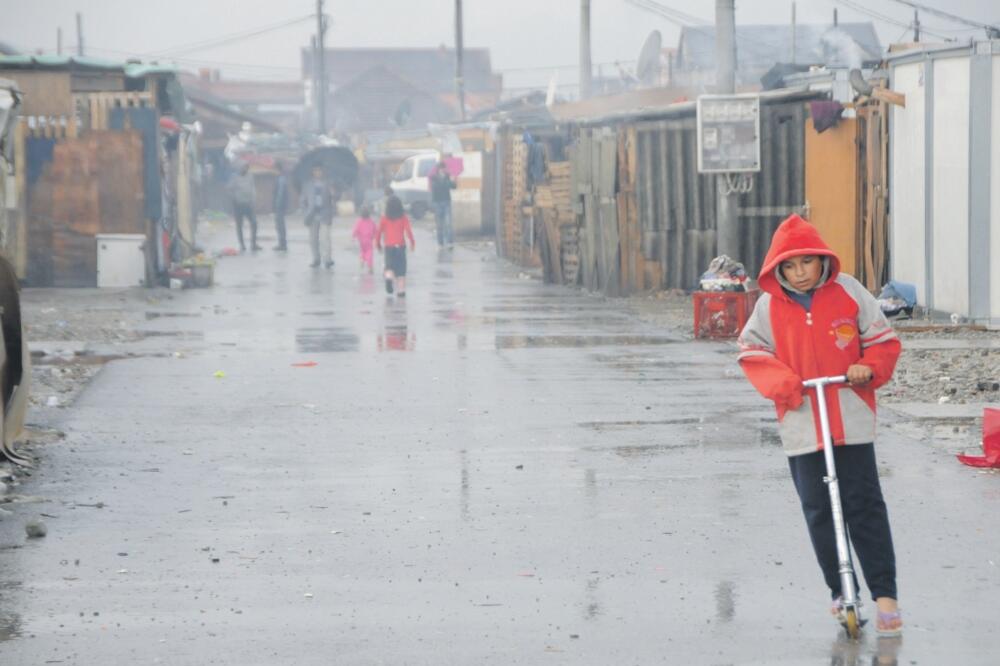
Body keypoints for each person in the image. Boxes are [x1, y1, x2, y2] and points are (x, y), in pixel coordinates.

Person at [737, 214, 903, 637]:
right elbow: (753, 353)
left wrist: (867, 367)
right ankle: (839, 589)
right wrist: (786, 385)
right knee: (819, 509)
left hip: (849, 415)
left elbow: (883, 340)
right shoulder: (769, 306)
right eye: (789, 267)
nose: (799, 273)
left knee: (864, 505)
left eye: (806, 263)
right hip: (802, 421)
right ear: (777, 269)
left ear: (821, 260)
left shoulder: (849, 291)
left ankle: (885, 595)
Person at [376, 195, 415, 296]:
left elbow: (378, 233)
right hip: (400, 247)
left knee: (389, 267)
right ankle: (401, 291)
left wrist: (378, 245)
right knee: (401, 270)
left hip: (389, 247)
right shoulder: (403, 218)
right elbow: (408, 231)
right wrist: (412, 242)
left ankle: (389, 278)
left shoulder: (384, 218)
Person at [300, 165, 335, 269]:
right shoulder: (307, 184)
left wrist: (334, 193)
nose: (317, 172)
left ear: (322, 171)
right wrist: (305, 211)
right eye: (315, 170)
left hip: (325, 214)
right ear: (312, 172)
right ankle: (316, 259)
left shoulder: (328, 183)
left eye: (319, 170)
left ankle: (327, 259)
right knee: (313, 239)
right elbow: (302, 200)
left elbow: (334, 199)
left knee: (325, 238)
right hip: (312, 215)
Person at [227, 162, 261, 252]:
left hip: (248, 204)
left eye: (246, 168)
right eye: (243, 167)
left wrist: (253, 200)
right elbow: (229, 189)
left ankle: (253, 244)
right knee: (239, 225)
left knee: (254, 223)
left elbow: (253, 189)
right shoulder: (234, 177)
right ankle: (242, 244)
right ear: (240, 168)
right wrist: (234, 199)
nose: (245, 169)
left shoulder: (250, 176)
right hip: (238, 205)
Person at [428, 158, 456, 248]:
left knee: (448, 223)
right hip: (437, 202)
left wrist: (453, 180)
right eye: (441, 168)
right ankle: (440, 242)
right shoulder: (433, 177)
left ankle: (449, 241)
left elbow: (454, 186)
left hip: (446, 201)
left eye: (443, 168)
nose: (442, 170)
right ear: (438, 169)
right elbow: (435, 188)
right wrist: (446, 182)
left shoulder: (448, 176)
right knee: (439, 224)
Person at [352, 206, 377, 273]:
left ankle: (362, 260)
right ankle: (370, 267)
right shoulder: (371, 221)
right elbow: (375, 230)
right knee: (369, 253)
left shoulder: (359, 221)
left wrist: (353, 237)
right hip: (369, 240)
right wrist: (376, 237)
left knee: (362, 251)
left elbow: (355, 230)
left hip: (361, 240)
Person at [272, 161, 290, 252]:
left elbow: (280, 194)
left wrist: (277, 205)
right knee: (280, 225)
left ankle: (282, 244)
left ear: (277, 169)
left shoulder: (281, 179)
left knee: (280, 225)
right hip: (281, 206)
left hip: (280, 206)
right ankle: (282, 243)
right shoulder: (281, 178)